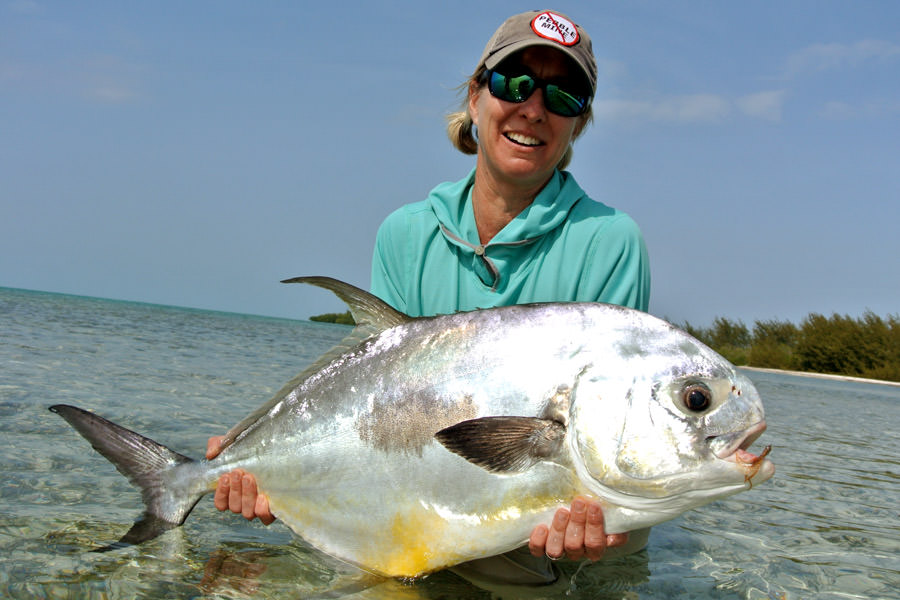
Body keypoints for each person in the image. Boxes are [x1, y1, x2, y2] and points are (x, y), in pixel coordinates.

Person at [208, 8, 651, 588]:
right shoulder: (406, 234)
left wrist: (603, 510)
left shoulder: (610, 241)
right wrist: (269, 469)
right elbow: (378, 408)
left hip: (553, 537)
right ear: (475, 96)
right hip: (435, 506)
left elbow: (608, 428)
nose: (533, 109)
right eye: (513, 83)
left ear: (579, 124)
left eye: (562, 96)